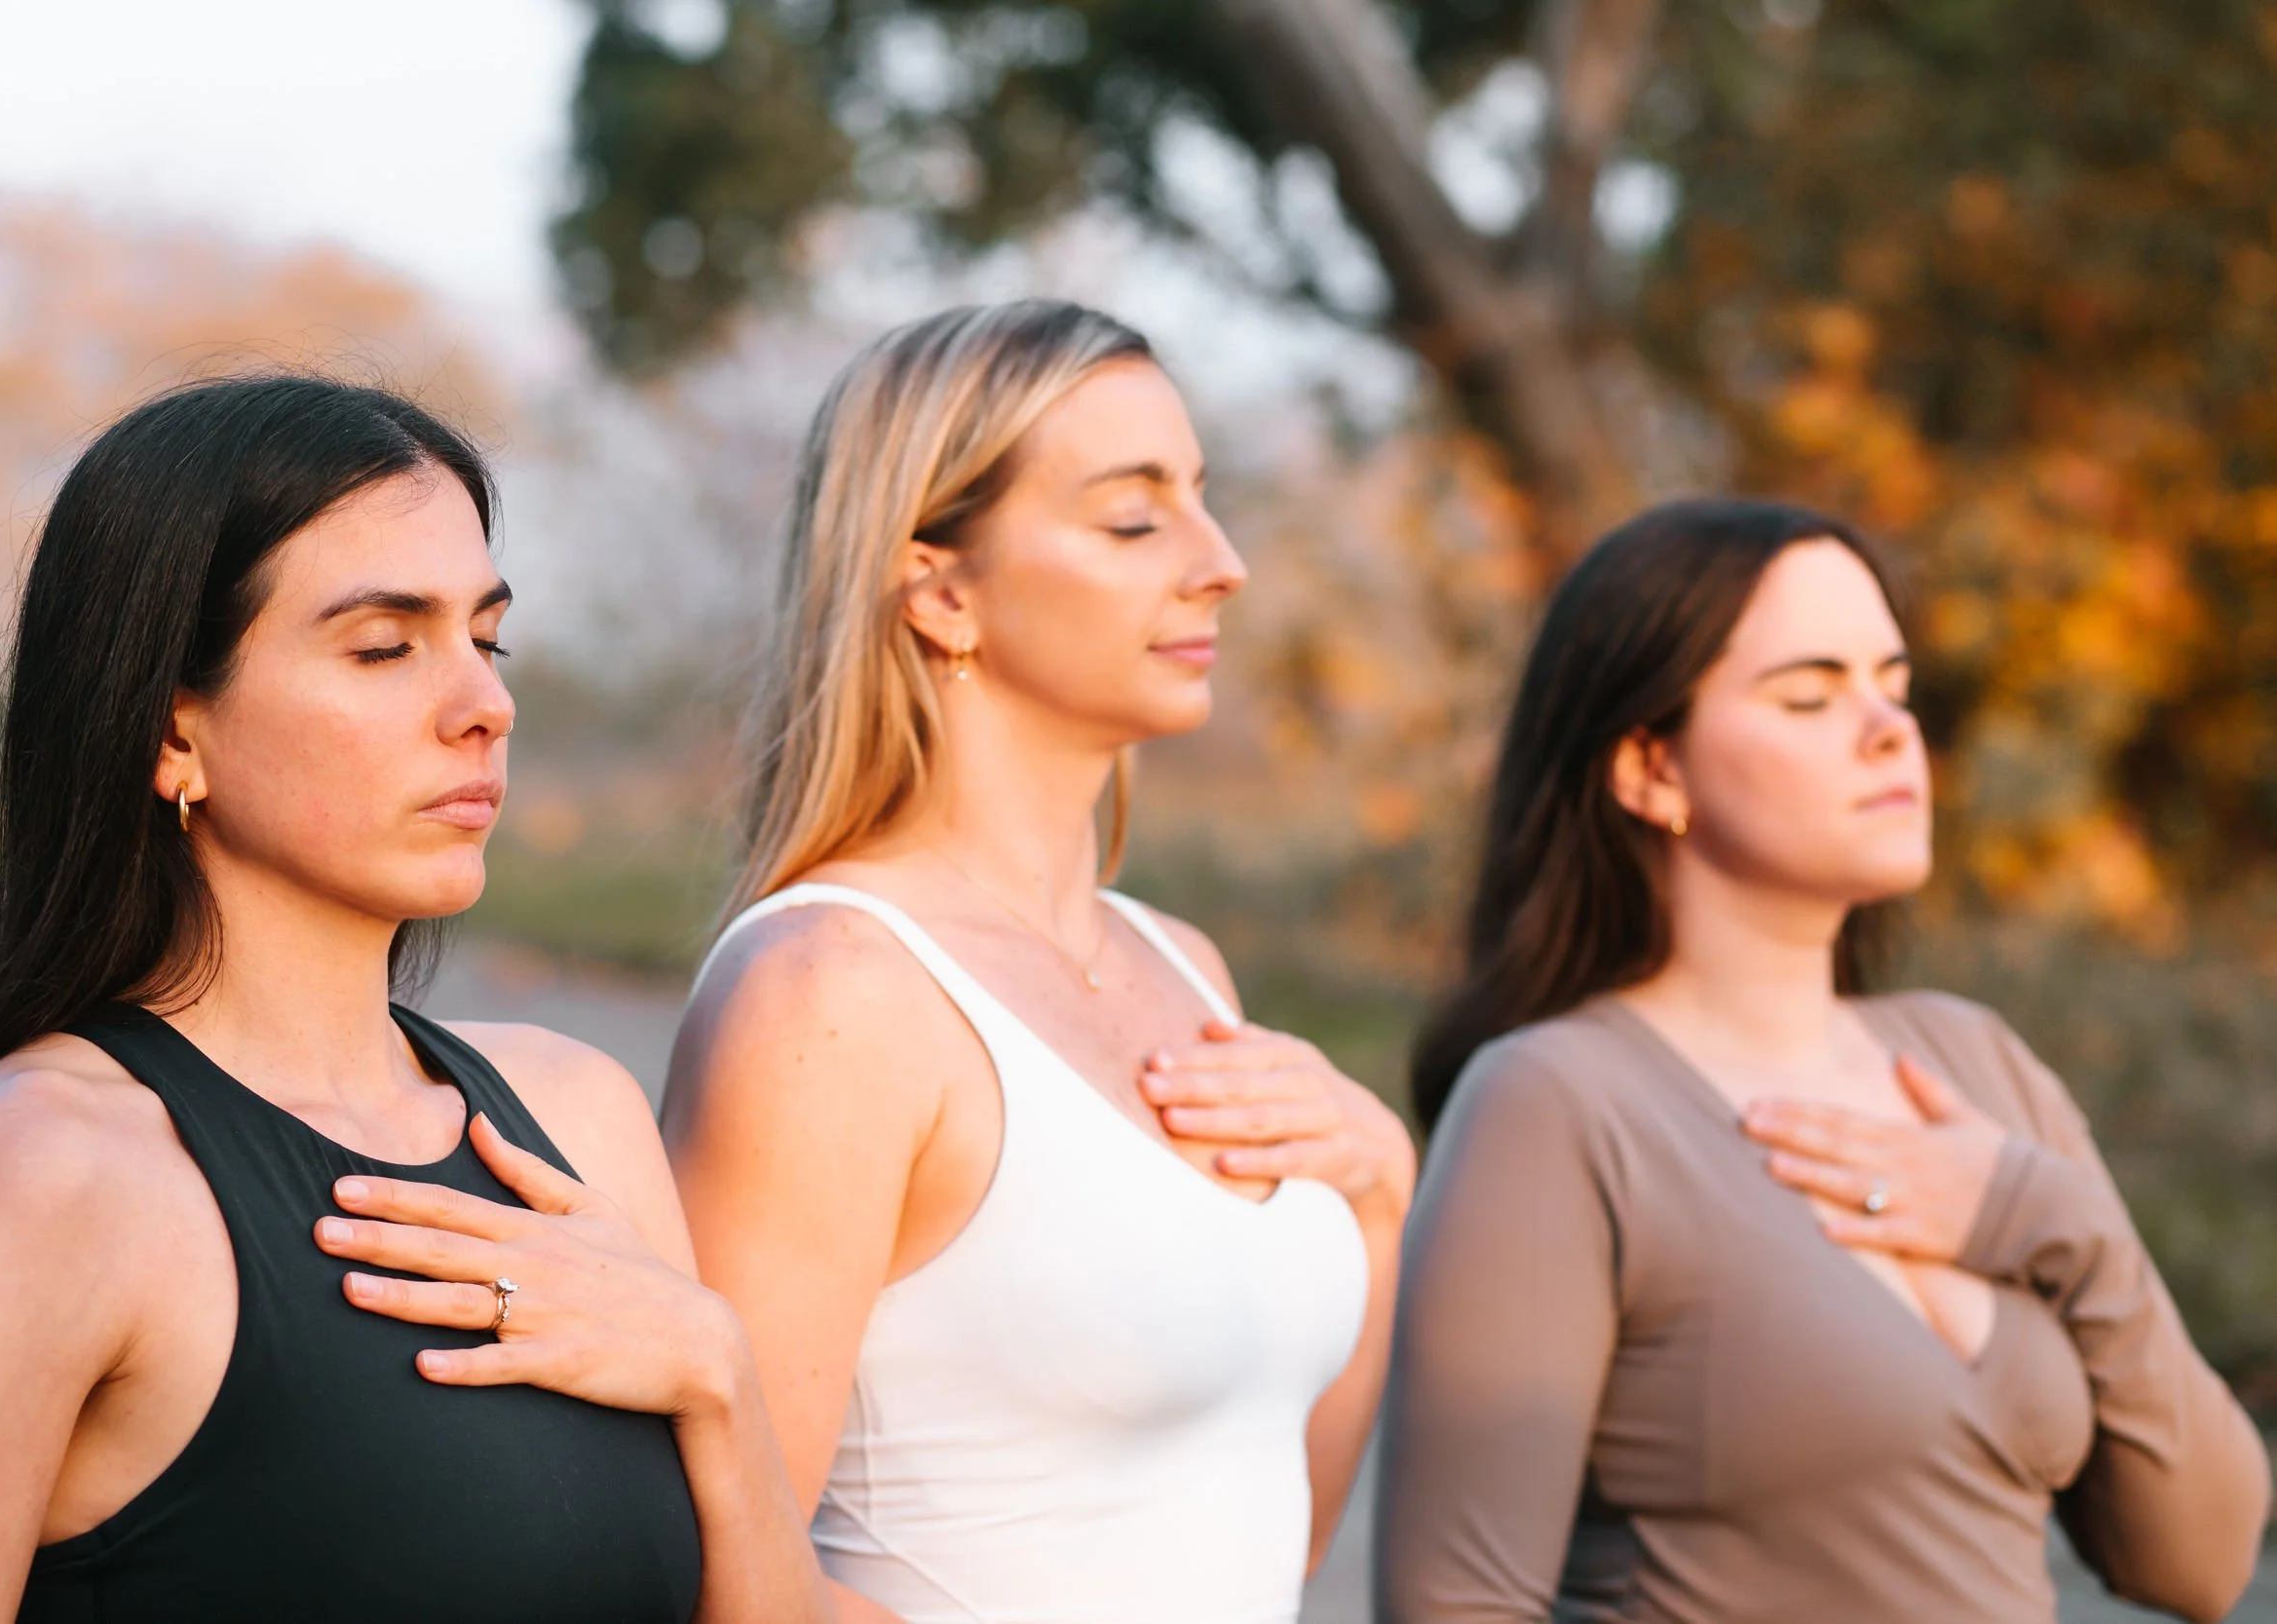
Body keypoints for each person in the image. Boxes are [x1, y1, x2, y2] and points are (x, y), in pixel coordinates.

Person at [0, 376, 828, 1624]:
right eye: (383, 646)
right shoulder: (41, 1174)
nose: (484, 704)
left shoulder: (577, 1114)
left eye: (489, 636)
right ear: (169, 728)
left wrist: (718, 1375)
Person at [1379, 498, 2271, 1622]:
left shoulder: (1975, 1061)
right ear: (1650, 769)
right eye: (1809, 695)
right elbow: (1456, 1604)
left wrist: (2054, 1222)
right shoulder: (1555, 1105)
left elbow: (2203, 1563)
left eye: (1891, 686)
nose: (1887, 729)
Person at [661, 299, 1418, 1623]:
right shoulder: (830, 991)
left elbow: (1278, 1525)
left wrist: (1378, 1189)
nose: (1221, 561)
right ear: (941, 590)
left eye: (1202, 499)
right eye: (1136, 518)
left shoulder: (1184, 965)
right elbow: (722, 1579)